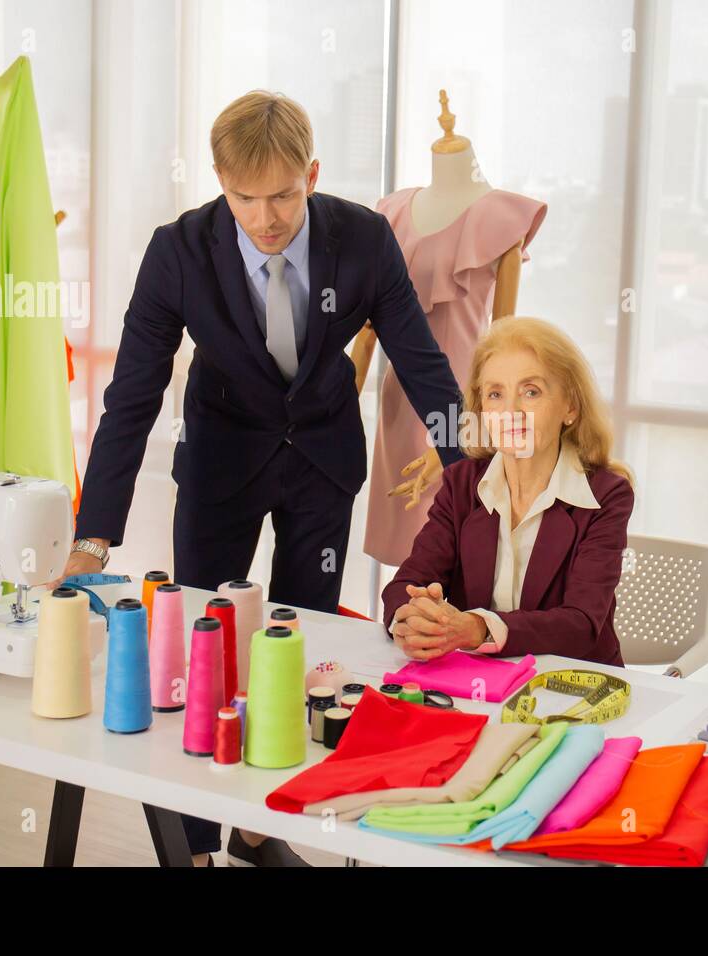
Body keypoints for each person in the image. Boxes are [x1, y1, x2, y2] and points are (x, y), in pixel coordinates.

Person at [60, 91, 464, 866]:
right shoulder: (177, 251)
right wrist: (93, 537)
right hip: (220, 458)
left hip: (320, 458)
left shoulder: (365, 240)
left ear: (311, 174)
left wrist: (474, 487)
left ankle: (261, 827)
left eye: (284, 194)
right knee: (203, 654)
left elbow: (423, 367)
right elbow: (131, 398)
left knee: (296, 647)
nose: (267, 215)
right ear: (219, 181)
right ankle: (199, 842)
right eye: (245, 197)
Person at [383, 317, 634, 666]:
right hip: (474, 685)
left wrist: (476, 628)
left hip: (572, 690)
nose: (510, 413)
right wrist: (413, 617)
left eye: (531, 392)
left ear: (570, 408)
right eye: (495, 394)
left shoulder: (606, 495)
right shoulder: (461, 483)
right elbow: (407, 582)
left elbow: (580, 624)